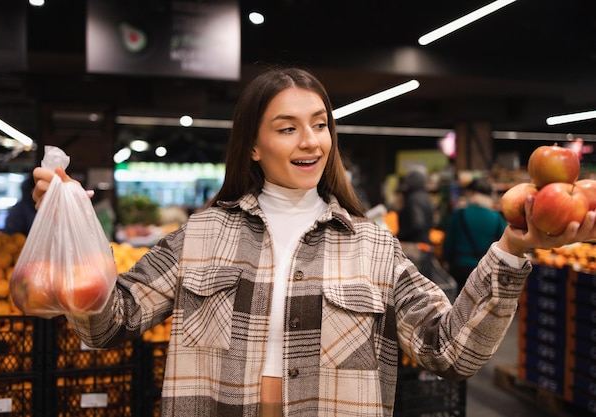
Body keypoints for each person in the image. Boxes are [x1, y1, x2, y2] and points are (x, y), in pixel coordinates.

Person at [31, 66, 596, 417]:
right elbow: (106, 325)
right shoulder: (202, 235)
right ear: (253, 145)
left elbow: (452, 352)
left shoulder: (373, 245)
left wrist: (513, 250)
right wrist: (70, 228)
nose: (311, 141)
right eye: (287, 127)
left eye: (320, 123)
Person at [442, 178, 507, 291]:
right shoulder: (497, 219)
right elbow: (503, 246)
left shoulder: (459, 214)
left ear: (471, 193)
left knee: (458, 303)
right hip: (485, 269)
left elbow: (449, 242)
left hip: (460, 266)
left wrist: (445, 260)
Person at [395, 169, 435, 276]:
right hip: (424, 246)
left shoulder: (413, 199)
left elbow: (417, 223)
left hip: (414, 248)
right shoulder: (426, 198)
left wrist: (399, 235)